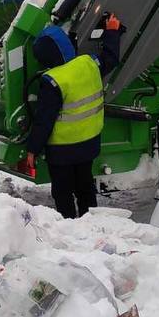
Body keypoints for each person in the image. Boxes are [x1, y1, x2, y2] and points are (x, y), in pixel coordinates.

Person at [24, 14, 123, 219]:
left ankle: (68, 225)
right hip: (88, 144)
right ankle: (90, 221)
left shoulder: (52, 80)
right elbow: (111, 58)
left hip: (62, 151)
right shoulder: (88, 64)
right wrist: (112, 31)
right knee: (85, 187)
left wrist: (32, 149)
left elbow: (44, 120)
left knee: (63, 191)